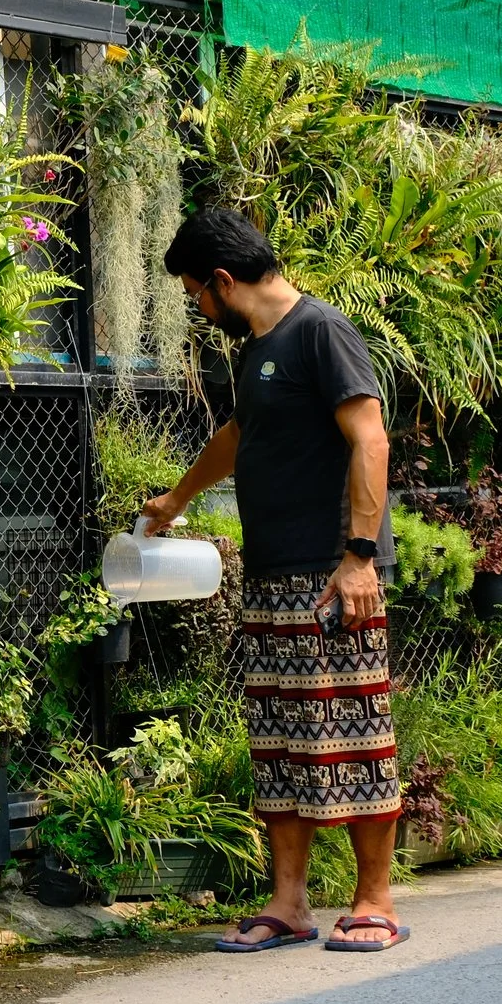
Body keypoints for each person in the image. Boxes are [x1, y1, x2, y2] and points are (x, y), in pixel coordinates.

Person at [140, 208, 407, 953]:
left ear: (224, 281)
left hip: (332, 577)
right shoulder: (256, 351)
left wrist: (357, 556)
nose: (199, 306)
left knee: (357, 737)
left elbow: (370, 436)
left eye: (198, 292)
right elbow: (238, 435)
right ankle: (289, 904)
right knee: (282, 747)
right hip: (270, 576)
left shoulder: (320, 330)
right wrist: (177, 499)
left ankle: (375, 900)